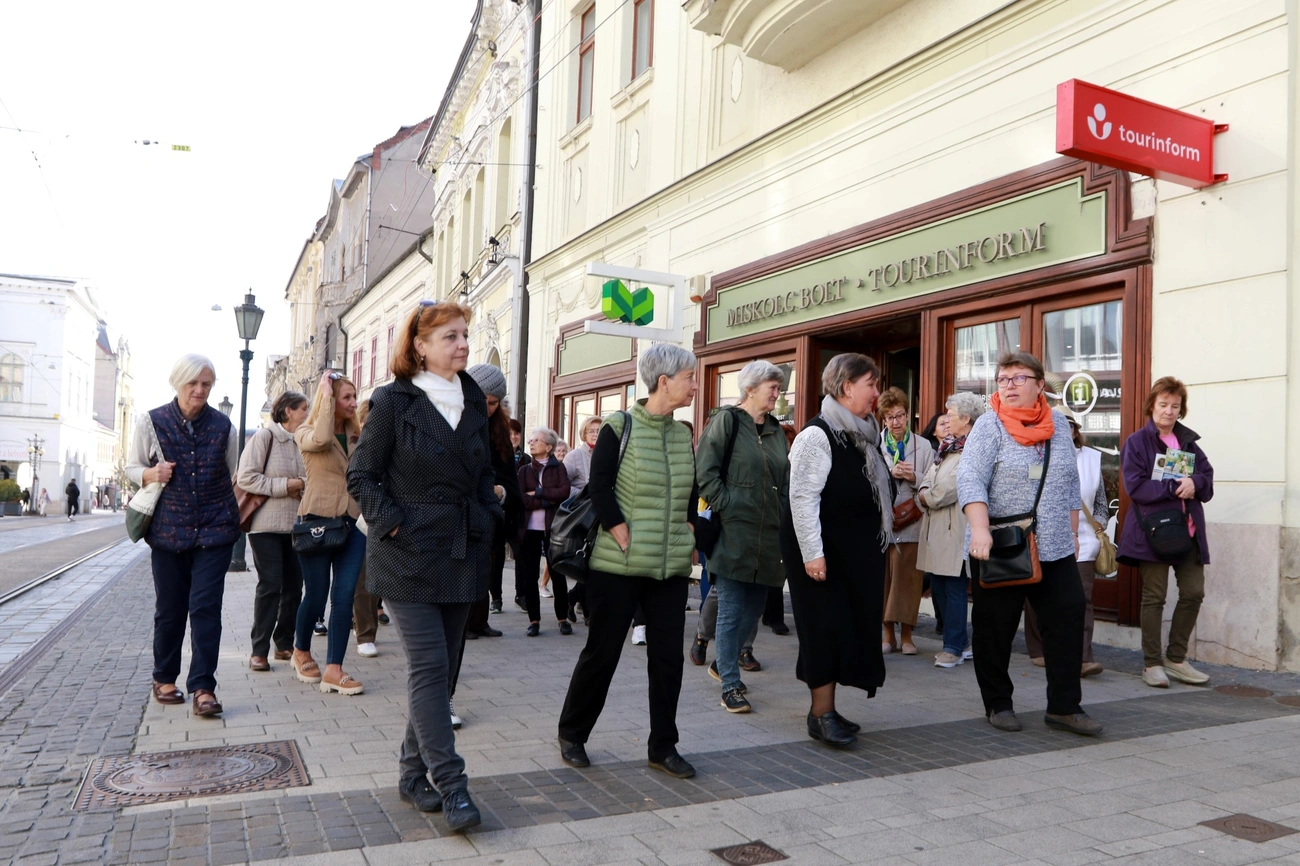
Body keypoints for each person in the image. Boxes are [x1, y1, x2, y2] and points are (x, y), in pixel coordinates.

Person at [347, 299, 501, 830]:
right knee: (431, 667)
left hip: (462, 549)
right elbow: (362, 475)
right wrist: (392, 524)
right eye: (451, 337)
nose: (462, 344)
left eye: (464, 335)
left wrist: (487, 511)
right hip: (406, 554)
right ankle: (452, 785)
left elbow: (485, 471)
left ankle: (411, 776)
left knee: (446, 673)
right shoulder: (393, 401)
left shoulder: (475, 400)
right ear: (419, 345)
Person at [557, 343, 699, 779]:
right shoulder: (620, 426)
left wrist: (691, 527)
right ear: (664, 382)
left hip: (668, 568)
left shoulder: (681, 433)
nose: (694, 384)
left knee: (667, 661)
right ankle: (572, 733)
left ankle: (663, 746)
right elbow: (599, 485)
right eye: (689, 377)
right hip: (616, 566)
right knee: (602, 653)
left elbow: (689, 490)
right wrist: (618, 528)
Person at [958, 351, 1101, 737]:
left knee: (1068, 619)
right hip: (1002, 545)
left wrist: (1073, 533)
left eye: (1018, 378)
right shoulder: (990, 427)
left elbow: (1070, 484)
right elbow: (969, 480)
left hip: (1053, 546)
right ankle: (998, 703)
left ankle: (1064, 707)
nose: (1008, 386)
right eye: (1003, 380)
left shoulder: (1056, 423)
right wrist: (981, 529)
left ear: (1040, 385)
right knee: (995, 629)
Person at [780, 354, 892, 748]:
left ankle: (826, 706)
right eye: (871, 384)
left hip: (854, 554)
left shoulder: (863, 434)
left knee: (846, 628)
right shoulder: (818, 434)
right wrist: (813, 553)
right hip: (821, 555)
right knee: (822, 629)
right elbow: (802, 498)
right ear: (846, 388)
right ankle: (820, 714)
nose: (877, 393)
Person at [126, 354, 239, 717]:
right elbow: (131, 466)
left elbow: (232, 471)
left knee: (206, 608)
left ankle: (203, 687)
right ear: (179, 383)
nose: (200, 390)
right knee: (171, 608)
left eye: (206, 384)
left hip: (215, 528)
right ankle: (164, 677)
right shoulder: (152, 422)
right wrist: (150, 474)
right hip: (168, 530)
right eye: (193, 383)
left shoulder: (224, 426)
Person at [696, 360, 790, 714]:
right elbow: (705, 470)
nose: (778, 394)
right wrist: (728, 505)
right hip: (734, 531)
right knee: (732, 608)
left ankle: (723, 663)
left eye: (779, 388)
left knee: (754, 610)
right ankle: (730, 686)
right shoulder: (727, 420)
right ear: (751, 388)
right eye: (773, 387)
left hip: (768, 535)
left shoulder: (777, 430)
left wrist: (782, 514)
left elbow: (784, 475)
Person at [1118, 376, 1214, 689]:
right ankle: (1151, 663)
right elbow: (1136, 487)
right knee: (1154, 597)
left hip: (1188, 533)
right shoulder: (1137, 442)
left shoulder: (1189, 442)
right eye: (1163, 405)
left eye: (1175, 406)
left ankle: (1176, 658)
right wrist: (1176, 485)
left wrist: (1195, 483)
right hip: (1153, 533)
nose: (1169, 411)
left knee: (1193, 592)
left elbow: (1207, 481)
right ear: (1152, 406)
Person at [292, 371, 366, 697]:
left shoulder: (358, 437)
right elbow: (322, 438)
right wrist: (323, 391)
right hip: (317, 524)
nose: (353, 403)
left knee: (344, 596)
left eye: (354, 397)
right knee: (317, 594)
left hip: (351, 525)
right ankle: (300, 650)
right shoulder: (305, 432)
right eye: (346, 397)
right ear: (331, 400)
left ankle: (334, 669)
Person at [1025, 415, 1108, 677]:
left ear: (1075, 431)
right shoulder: (1035, 455)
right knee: (1036, 594)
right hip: (1043, 536)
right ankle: (1039, 649)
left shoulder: (1091, 459)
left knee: (1081, 598)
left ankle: (1083, 657)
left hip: (1082, 538)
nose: (1063, 430)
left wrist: (1100, 525)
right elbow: (1029, 493)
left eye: (1069, 425)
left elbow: (1101, 504)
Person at [238, 390, 309, 672]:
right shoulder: (264, 437)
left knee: (294, 587)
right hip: (265, 527)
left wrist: (301, 485)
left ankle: (284, 643)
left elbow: (309, 478)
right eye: (304, 408)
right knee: (270, 585)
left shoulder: (304, 441)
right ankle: (259, 650)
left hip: (297, 526)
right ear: (288, 411)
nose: (307, 413)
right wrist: (286, 486)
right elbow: (246, 477)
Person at [916, 392, 983, 668]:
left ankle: (954, 646)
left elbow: (947, 489)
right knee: (940, 587)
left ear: (966, 419)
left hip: (955, 529)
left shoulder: (972, 449)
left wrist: (925, 496)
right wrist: (924, 492)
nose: (947, 420)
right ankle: (961, 643)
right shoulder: (948, 448)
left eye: (951, 415)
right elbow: (927, 481)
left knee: (953, 588)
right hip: (936, 529)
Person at [878, 387, 934, 655]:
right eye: (889, 417)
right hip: (882, 523)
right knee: (884, 580)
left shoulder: (922, 445)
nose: (895, 422)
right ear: (883, 420)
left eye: (900, 415)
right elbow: (865, 480)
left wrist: (915, 476)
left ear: (908, 415)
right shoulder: (875, 445)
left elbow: (934, 483)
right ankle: (887, 634)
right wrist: (890, 472)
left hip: (912, 520)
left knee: (909, 580)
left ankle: (908, 635)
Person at [515, 428, 572, 635]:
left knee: (558, 573)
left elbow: (564, 493)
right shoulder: (524, 471)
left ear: (549, 447)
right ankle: (534, 620)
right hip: (529, 529)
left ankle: (562, 618)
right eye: (531, 440)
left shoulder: (559, 469)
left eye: (537, 440)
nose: (531, 443)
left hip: (553, 529)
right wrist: (549, 500)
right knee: (530, 576)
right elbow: (522, 499)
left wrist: (538, 493)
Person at [352, 399, 384, 658]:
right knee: (359, 579)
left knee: (370, 578)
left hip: (375, 517)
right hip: (348, 515)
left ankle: (365, 630)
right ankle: (362, 630)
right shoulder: (352, 442)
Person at [564, 416, 602, 496]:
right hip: (583, 505)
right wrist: (582, 495)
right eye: (591, 431)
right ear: (584, 435)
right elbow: (562, 486)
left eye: (599, 431)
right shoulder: (574, 456)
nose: (596, 434)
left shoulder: (608, 454)